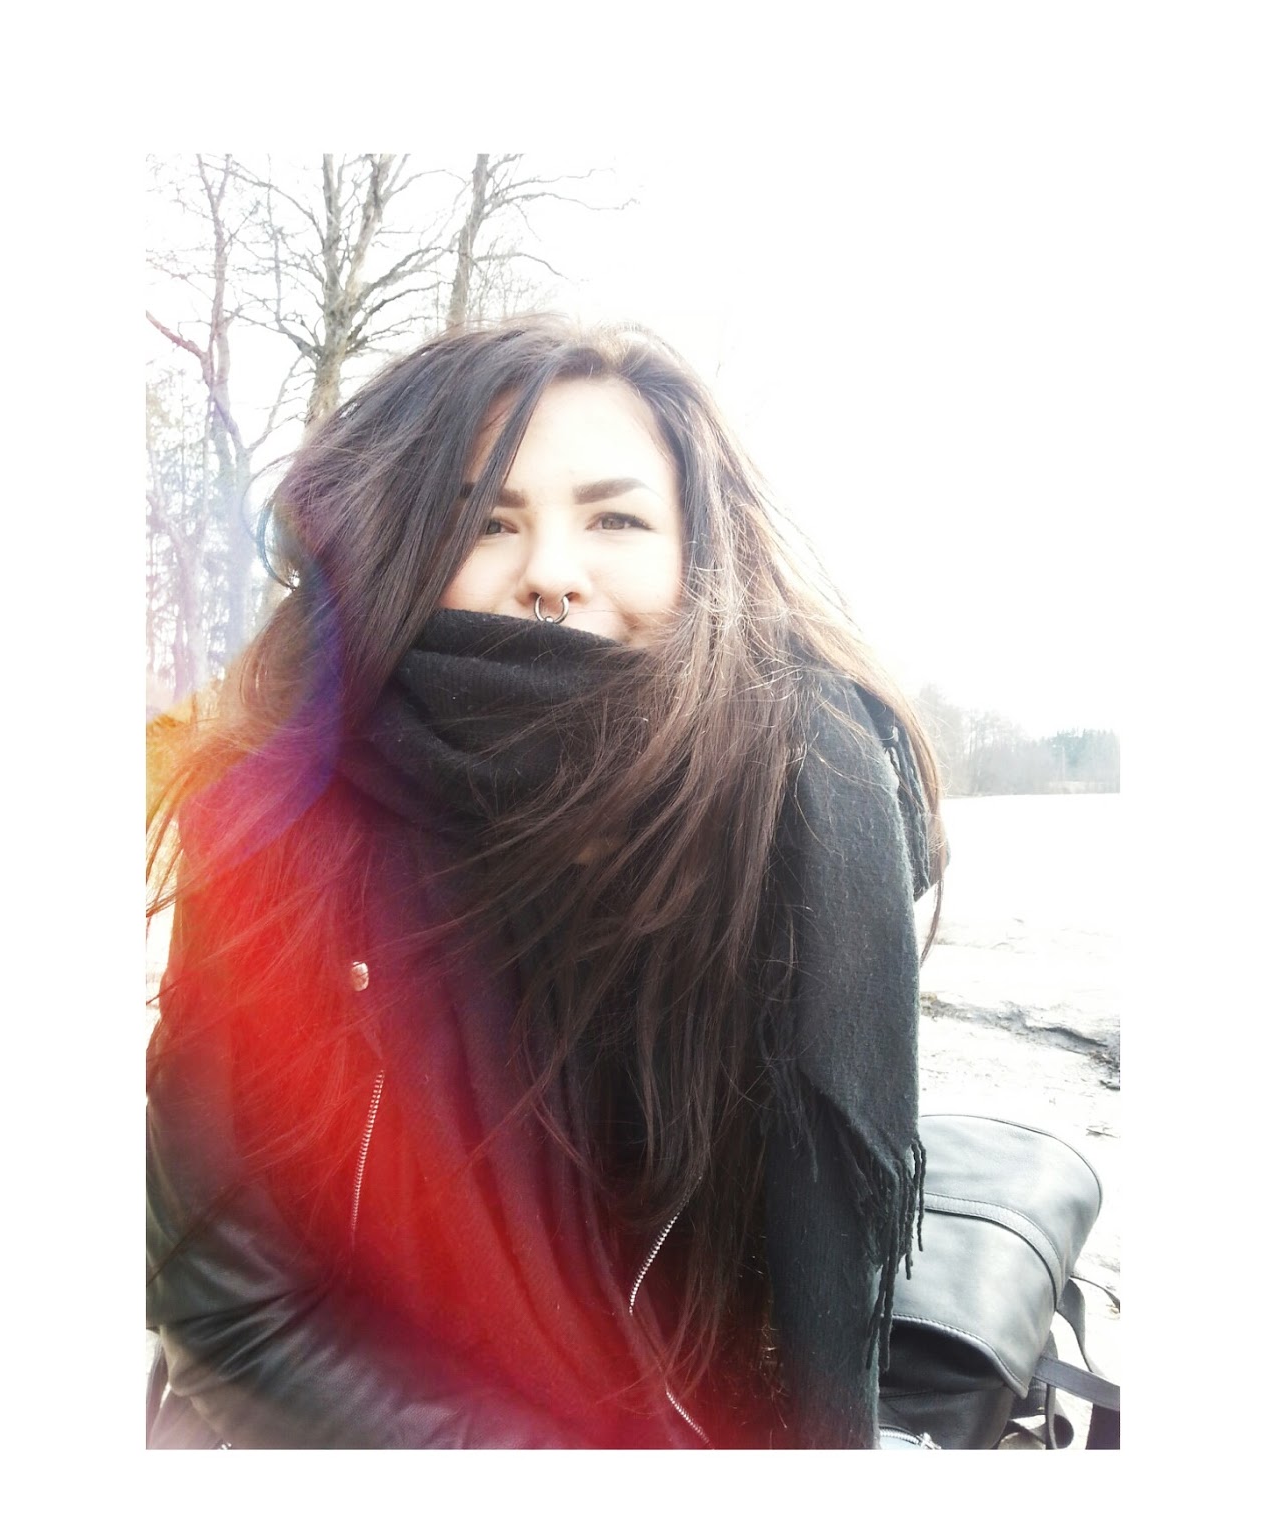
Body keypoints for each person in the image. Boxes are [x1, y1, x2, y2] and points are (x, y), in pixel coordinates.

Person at [145, 317, 946, 1449]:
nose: (551, 576)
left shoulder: (807, 816)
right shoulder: (272, 827)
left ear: (703, 551)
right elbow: (234, 1316)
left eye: (615, 519)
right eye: (486, 521)